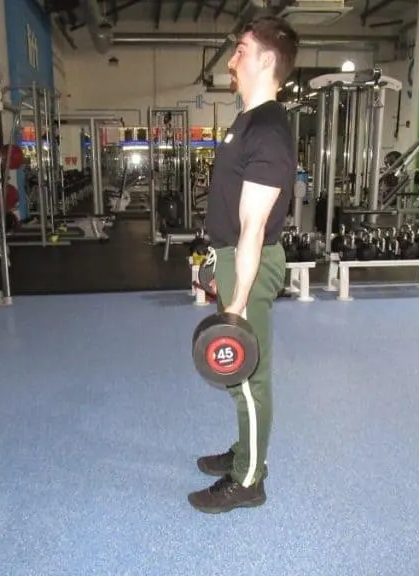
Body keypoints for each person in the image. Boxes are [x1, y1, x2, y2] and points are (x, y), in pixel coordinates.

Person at [186, 15, 299, 515]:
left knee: (247, 376)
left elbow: (254, 227)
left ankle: (249, 480)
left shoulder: (270, 129)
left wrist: (234, 304)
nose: (231, 59)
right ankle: (243, 453)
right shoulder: (248, 121)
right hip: (232, 259)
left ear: (267, 61)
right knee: (240, 381)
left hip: (248, 264)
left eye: (241, 50)